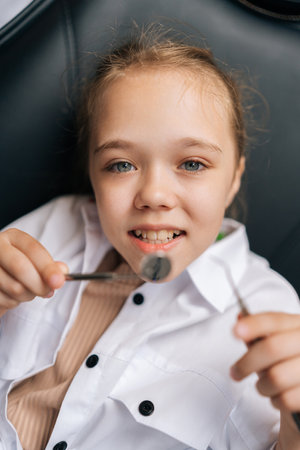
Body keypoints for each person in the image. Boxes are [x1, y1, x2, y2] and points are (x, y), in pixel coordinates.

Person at [0, 28, 299, 450]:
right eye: (121, 165)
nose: (154, 195)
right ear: (92, 172)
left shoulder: (271, 310)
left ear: (233, 179)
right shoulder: (52, 229)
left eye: (192, 164)